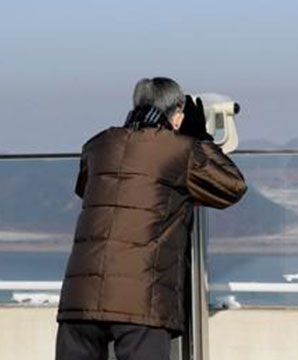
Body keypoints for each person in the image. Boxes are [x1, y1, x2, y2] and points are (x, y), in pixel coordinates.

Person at [55, 77, 247, 360]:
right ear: (178, 115)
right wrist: (200, 140)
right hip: (141, 300)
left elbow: (88, 190)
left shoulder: (98, 145)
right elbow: (232, 186)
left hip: (79, 298)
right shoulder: (181, 150)